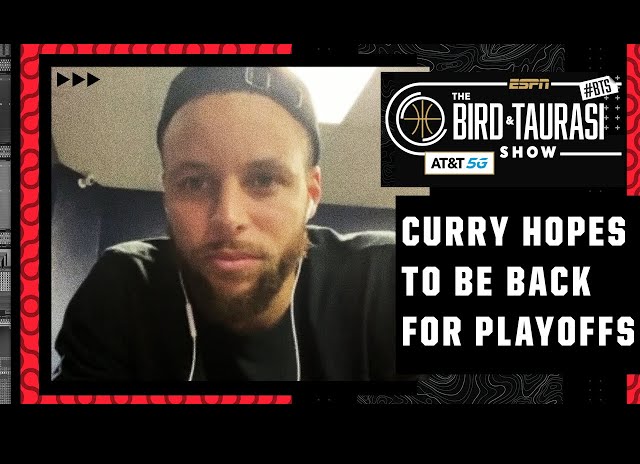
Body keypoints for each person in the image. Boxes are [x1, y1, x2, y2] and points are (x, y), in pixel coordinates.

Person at [54, 67, 399, 381]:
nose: (228, 218)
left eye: (264, 180)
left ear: (311, 193)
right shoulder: (123, 289)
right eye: (194, 183)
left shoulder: (387, 280)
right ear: (167, 194)